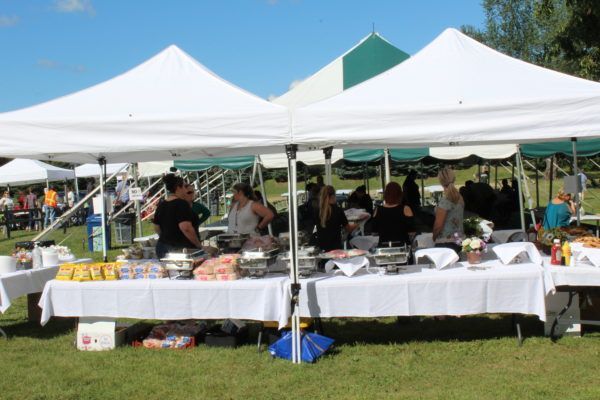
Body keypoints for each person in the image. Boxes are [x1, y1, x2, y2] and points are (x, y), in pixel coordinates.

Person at [153, 174, 204, 258]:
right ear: (178, 188)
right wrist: (198, 245)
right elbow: (186, 228)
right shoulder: (181, 204)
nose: (186, 190)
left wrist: (166, 237)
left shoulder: (162, 204)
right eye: (184, 186)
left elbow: (156, 227)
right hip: (178, 249)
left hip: (163, 246)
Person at [373, 182, 415, 246]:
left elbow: (374, 232)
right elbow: (412, 232)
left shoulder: (378, 210)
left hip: (383, 246)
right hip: (403, 246)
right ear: (400, 195)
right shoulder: (406, 209)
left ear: (385, 194)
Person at [316, 185, 357, 251]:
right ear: (333, 196)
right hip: (335, 247)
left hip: (321, 247)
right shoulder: (338, 210)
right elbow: (348, 229)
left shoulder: (318, 211)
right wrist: (357, 224)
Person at [433, 168, 464, 252]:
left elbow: (438, 225)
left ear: (440, 181)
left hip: (445, 242)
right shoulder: (459, 197)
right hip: (458, 239)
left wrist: (434, 237)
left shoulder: (445, 200)